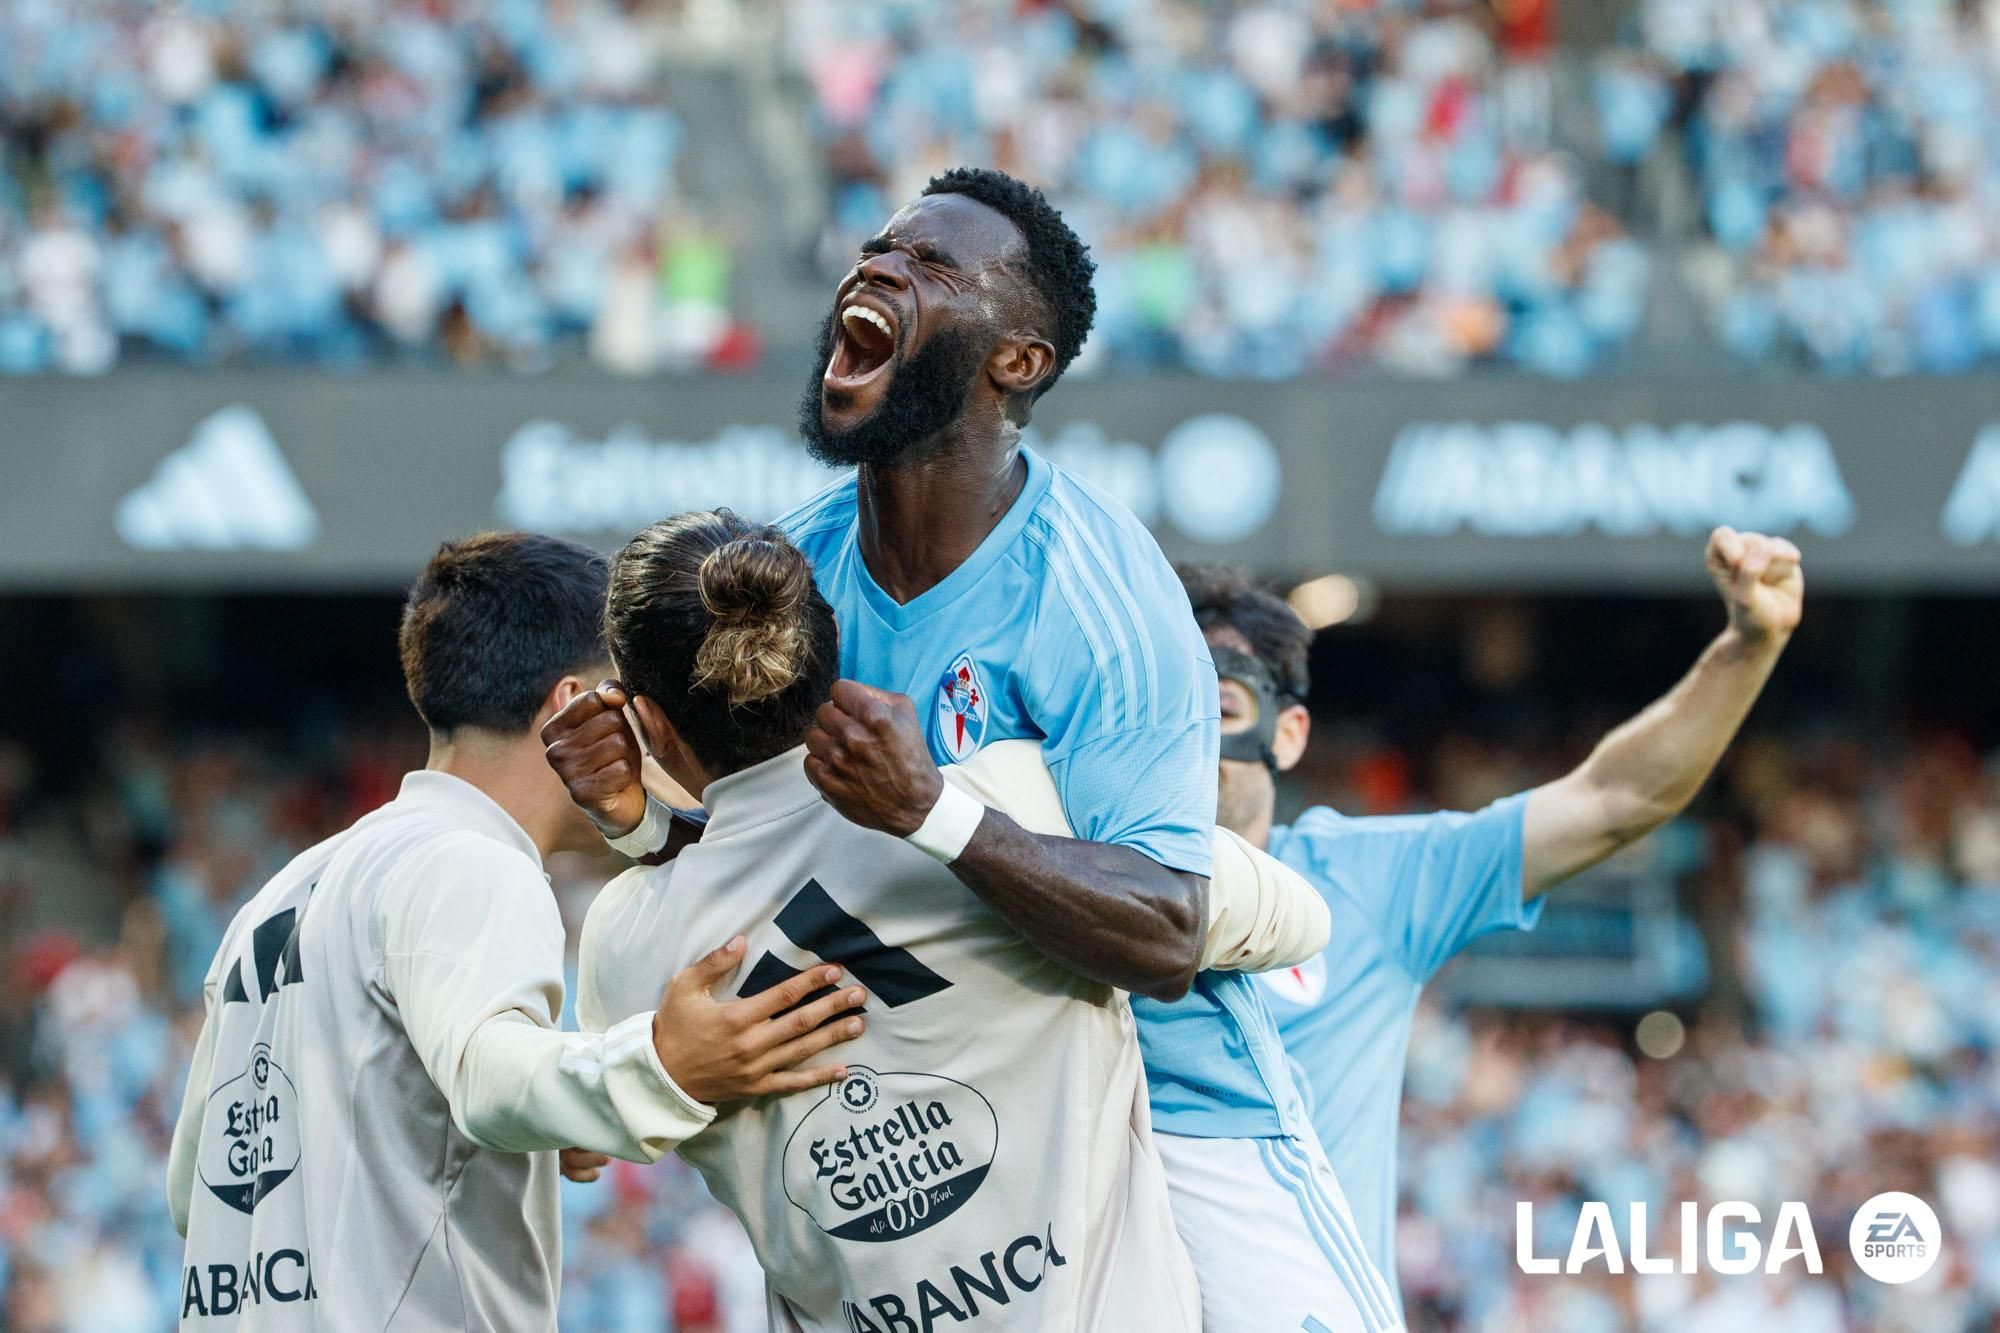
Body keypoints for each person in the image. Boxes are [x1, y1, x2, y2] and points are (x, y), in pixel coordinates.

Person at [542, 166, 1399, 1331]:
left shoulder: (1098, 596)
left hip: (1167, 1090)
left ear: (1017, 360)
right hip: (931, 1096)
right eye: (880, 248)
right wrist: (639, 819)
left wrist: (933, 813)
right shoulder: (787, 574)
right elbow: (771, 852)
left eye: (931, 264)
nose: (879, 267)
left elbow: (1165, 932)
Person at [167, 533, 864, 1329]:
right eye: (632, 697)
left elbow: (195, 1186)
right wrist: (662, 1065)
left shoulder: (281, 892)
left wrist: (541, 1114)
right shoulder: (473, 861)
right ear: (575, 705)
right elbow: (488, 1076)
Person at [573, 511, 1216, 1332]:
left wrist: (650, 831)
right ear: (827, 651)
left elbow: (584, 1140)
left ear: (650, 725)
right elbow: (1267, 917)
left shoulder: (624, 943)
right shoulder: (1008, 801)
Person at [1181, 525, 1805, 1313]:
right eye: (1173, 705)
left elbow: (1614, 800)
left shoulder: (1372, 880)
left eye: (1223, 706)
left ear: (1289, 732)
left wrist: (1747, 647)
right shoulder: (1077, 891)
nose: (1195, 734)